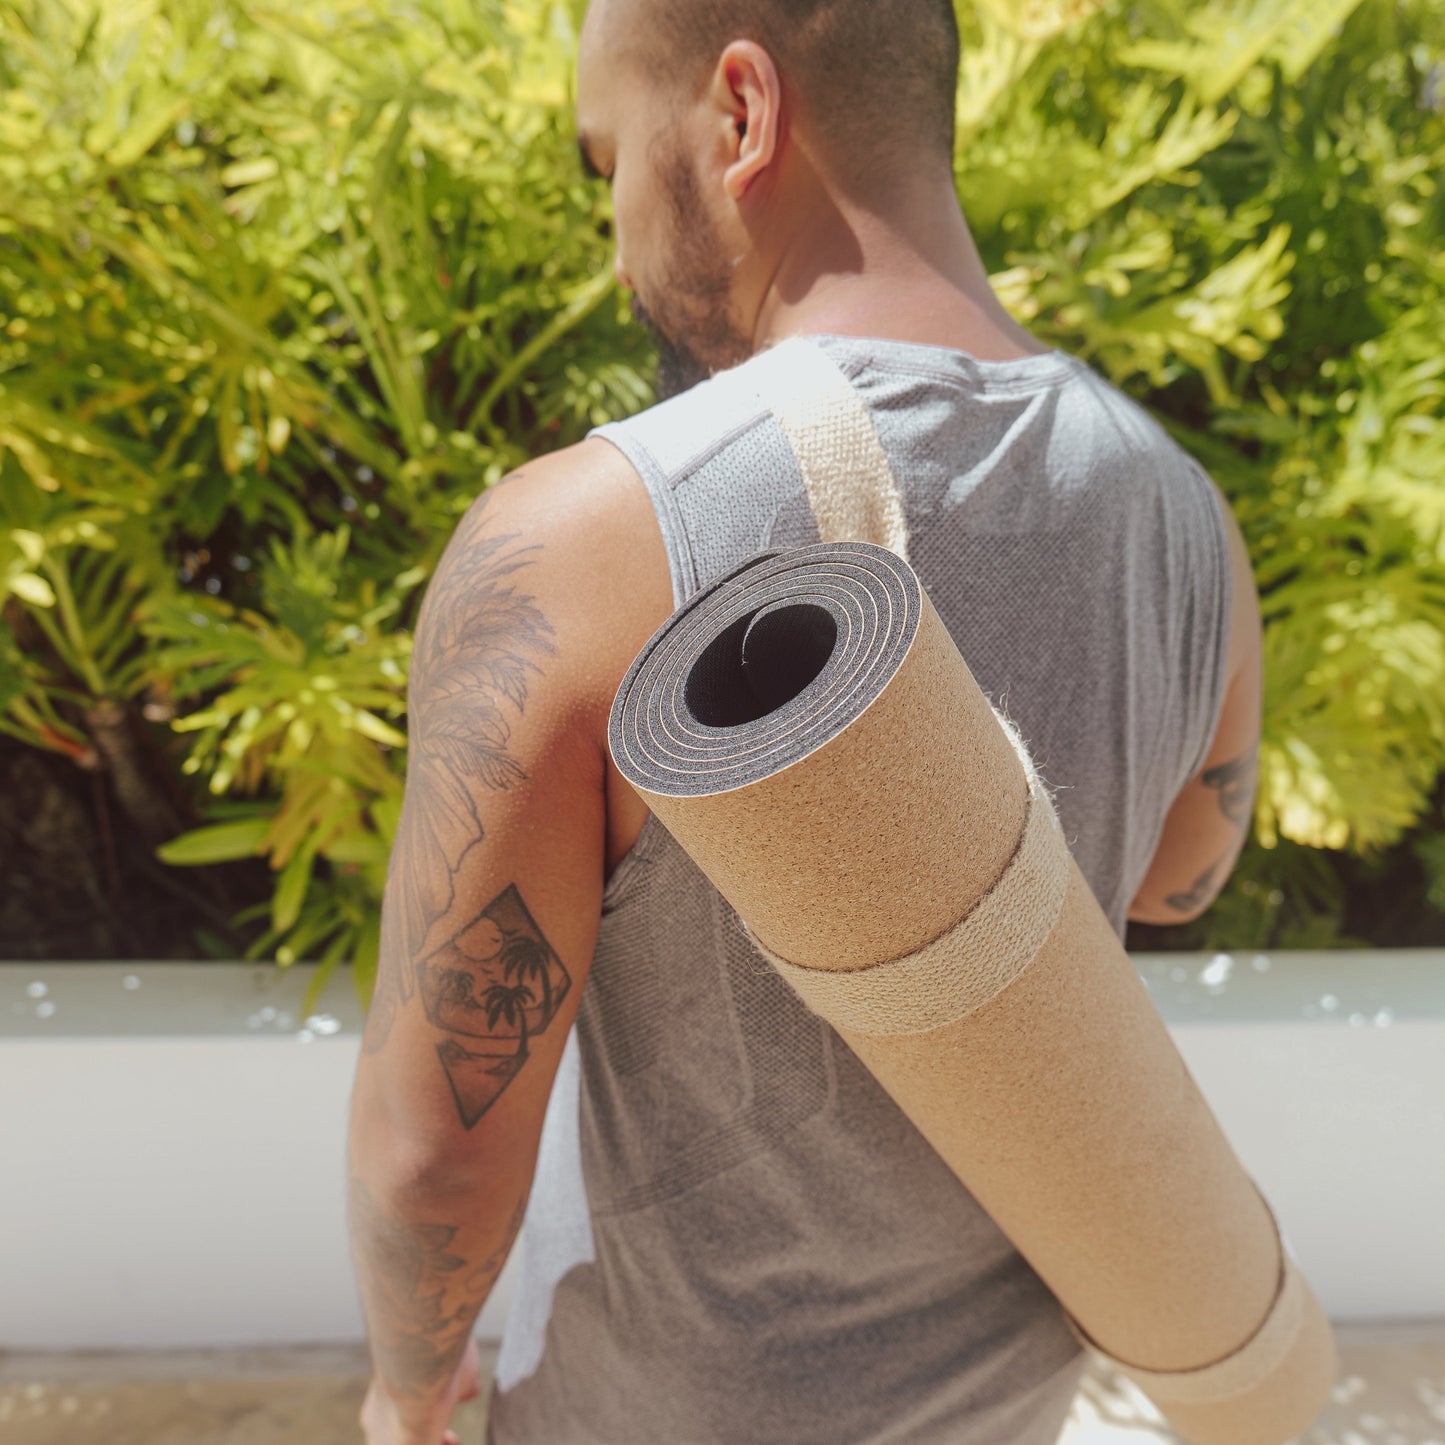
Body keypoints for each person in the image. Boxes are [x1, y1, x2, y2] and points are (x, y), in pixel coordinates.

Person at [346, 0, 1264, 1441]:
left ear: (737, 114)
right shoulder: (1184, 520)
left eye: (608, 161)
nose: (613, 234)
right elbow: (1175, 876)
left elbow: (433, 1156)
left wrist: (407, 1396)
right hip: (1003, 1407)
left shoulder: (579, 543)